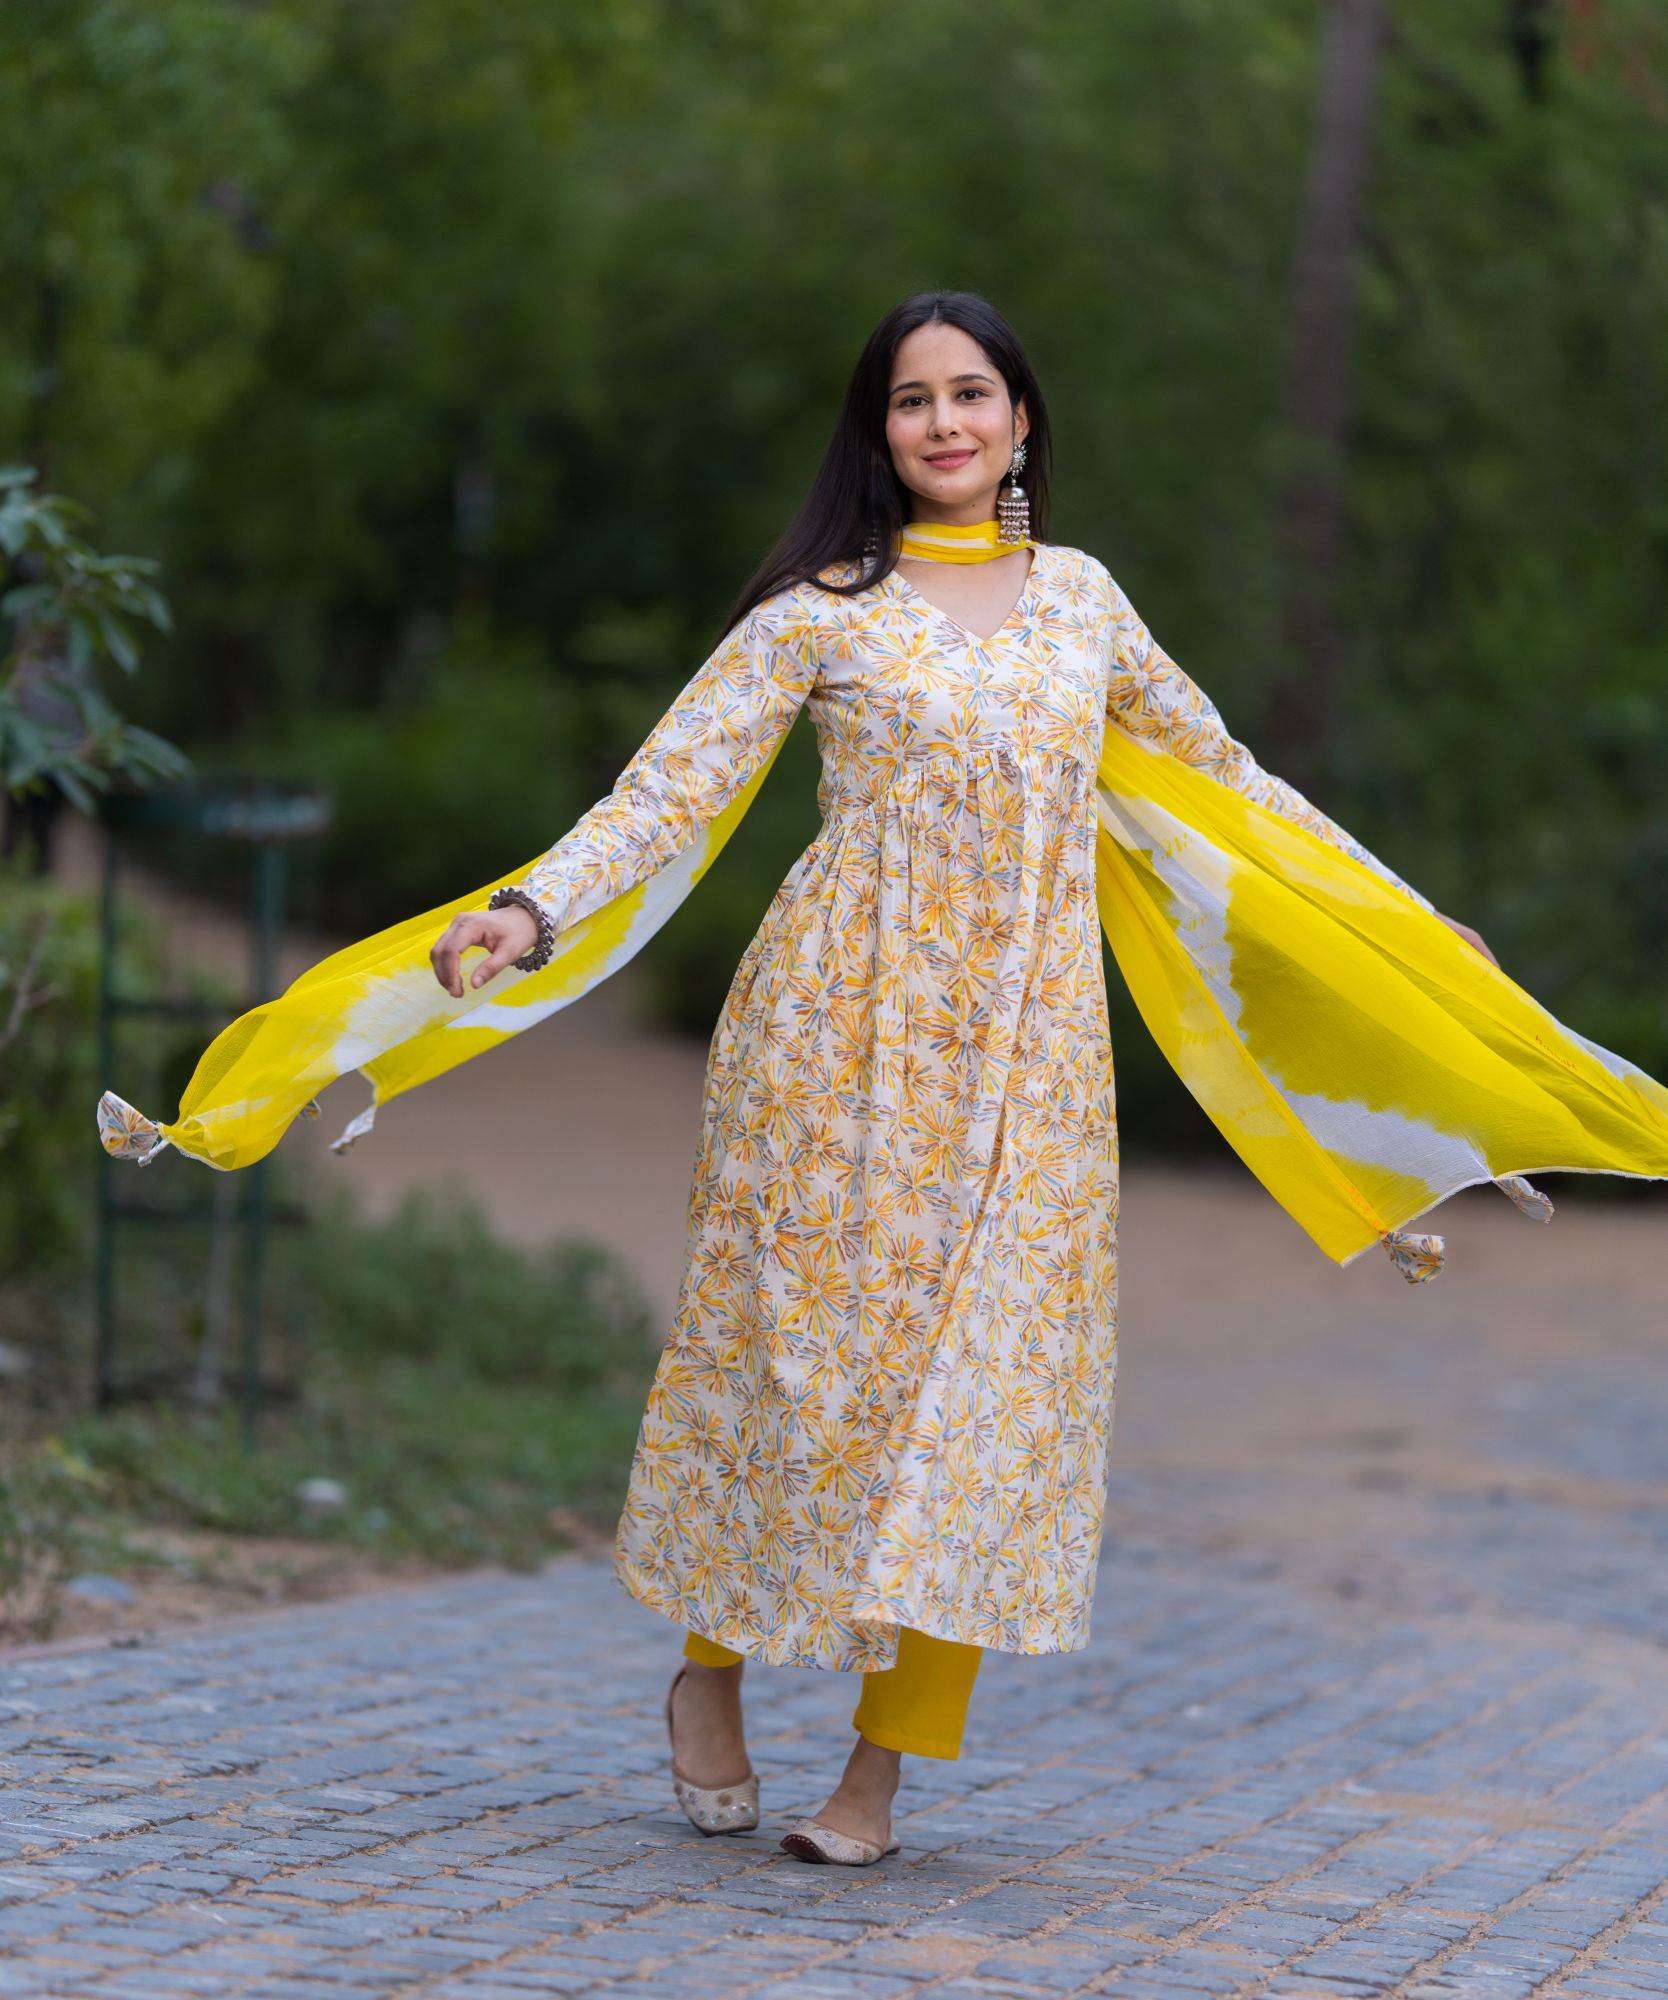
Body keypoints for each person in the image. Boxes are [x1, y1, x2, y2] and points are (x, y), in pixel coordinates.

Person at [422, 290, 1496, 1866]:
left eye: (971, 393)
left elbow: (1228, 784)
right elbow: (665, 793)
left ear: (1021, 419)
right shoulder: (818, 613)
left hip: (1032, 1063)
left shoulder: (1084, 604)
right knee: (786, 1376)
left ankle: (878, 1774)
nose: (944, 422)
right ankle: (707, 1673)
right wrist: (528, 909)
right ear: (879, 432)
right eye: (911, 400)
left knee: (989, 1406)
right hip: (829, 1050)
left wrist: (1397, 920)